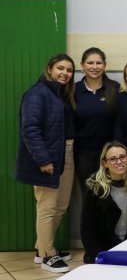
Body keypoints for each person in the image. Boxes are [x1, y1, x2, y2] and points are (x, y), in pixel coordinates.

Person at [15, 54, 76, 273]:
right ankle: (48, 254)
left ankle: (41, 248)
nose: (65, 73)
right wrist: (43, 159)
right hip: (48, 158)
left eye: (69, 70)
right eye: (60, 68)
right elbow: (30, 130)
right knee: (47, 207)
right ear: (49, 69)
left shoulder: (60, 94)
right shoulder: (37, 94)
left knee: (60, 206)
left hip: (66, 153)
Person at [81, 142, 127, 263]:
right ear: (105, 163)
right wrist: (100, 257)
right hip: (104, 252)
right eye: (112, 159)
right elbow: (88, 230)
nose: (119, 162)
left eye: (122, 157)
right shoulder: (94, 189)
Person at [73, 47, 120, 182]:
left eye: (99, 63)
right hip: (83, 154)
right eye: (90, 63)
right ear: (82, 65)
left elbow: (120, 120)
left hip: (110, 153)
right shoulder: (73, 90)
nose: (94, 67)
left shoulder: (114, 88)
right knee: (88, 193)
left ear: (104, 66)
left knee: (110, 191)